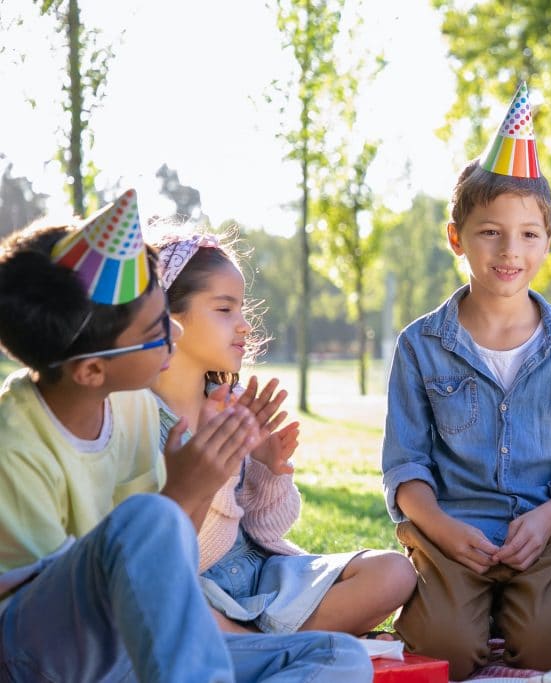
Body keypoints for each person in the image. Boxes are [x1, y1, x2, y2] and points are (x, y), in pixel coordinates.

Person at [0, 191, 372, 682]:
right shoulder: (16, 445)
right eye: (156, 329)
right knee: (151, 516)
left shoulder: (128, 402)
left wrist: (206, 478)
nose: (175, 334)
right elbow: (85, 605)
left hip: (142, 640)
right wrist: (184, 491)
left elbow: (168, 563)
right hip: (47, 655)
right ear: (91, 370)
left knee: (339, 657)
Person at [381, 82, 551, 681]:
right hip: (451, 533)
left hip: (545, 535)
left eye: (529, 234)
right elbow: (406, 467)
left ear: (547, 241)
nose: (510, 250)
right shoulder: (420, 345)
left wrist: (543, 521)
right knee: (443, 653)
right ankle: (467, 606)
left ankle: (520, 607)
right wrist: (441, 530)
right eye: (490, 231)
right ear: (457, 238)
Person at [149, 230, 416, 637]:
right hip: (195, 590)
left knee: (394, 572)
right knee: (170, 614)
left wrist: (267, 470)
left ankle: (261, 648)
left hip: (263, 578)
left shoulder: (235, 400)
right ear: (169, 316)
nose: (243, 326)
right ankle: (276, 647)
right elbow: (178, 557)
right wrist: (214, 466)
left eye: (241, 309)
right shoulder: (139, 419)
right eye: (224, 309)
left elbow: (266, 530)